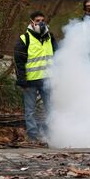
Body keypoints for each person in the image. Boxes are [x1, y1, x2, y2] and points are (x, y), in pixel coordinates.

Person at [14, 11, 57, 142]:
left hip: (47, 80)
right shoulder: (24, 39)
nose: (41, 23)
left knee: (50, 108)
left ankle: (51, 134)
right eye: (38, 20)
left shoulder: (50, 37)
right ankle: (33, 136)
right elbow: (19, 61)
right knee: (30, 110)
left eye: (43, 20)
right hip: (30, 81)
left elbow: (58, 55)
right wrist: (22, 80)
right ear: (32, 22)